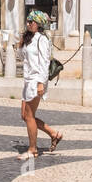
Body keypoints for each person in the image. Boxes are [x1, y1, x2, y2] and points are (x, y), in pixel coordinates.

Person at [17, 10, 63, 160]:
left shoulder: (42, 39)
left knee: (29, 116)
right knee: (25, 116)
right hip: (28, 80)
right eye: (28, 21)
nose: (28, 23)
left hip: (36, 80)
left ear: (38, 24)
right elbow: (22, 57)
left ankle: (33, 150)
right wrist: (20, 44)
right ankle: (53, 133)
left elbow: (44, 63)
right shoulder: (29, 38)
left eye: (31, 21)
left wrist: (40, 84)